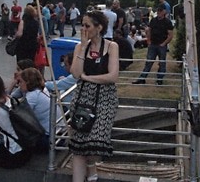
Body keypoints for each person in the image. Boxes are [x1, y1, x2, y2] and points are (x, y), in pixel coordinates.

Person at [70, 10, 119, 182]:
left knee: (94, 143)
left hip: (105, 100)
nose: (83, 29)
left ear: (99, 27)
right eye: (82, 25)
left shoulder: (112, 47)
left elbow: (112, 76)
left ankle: (91, 166)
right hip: (83, 99)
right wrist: (83, 47)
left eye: (87, 26)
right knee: (78, 145)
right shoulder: (80, 47)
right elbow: (76, 73)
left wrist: (89, 78)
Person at [10, 68, 64, 152]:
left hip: (51, 139)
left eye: (20, 82)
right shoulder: (38, 91)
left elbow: (19, 115)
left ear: (27, 82)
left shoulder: (32, 96)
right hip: (59, 135)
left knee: (17, 132)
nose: (19, 85)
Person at [132, 4, 174, 85]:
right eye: (158, 10)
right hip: (153, 44)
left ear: (164, 12)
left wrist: (164, 43)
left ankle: (159, 79)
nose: (158, 12)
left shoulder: (168, 22)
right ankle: (142, 78)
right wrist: (149, 41)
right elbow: (149, 30)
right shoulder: (153, 20)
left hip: (161, 45)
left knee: (162, 63)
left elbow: (170, 35)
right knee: (149, 62)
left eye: (160, 11)